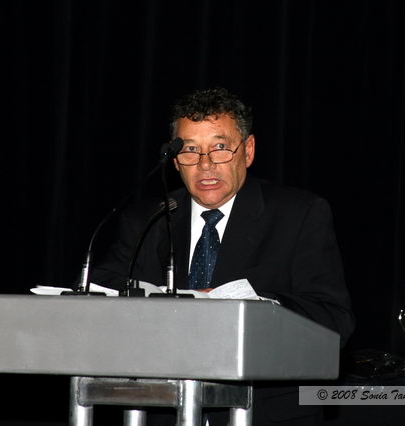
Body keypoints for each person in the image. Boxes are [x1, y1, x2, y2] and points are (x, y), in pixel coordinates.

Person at [91, 87, 354, 425]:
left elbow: (333, 319)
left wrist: (253, 308)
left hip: (263, 413)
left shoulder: (298, 214)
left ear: (248, 151)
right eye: (190, 149)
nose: (205, 164)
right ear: (175, 160)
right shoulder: (147, 219)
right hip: (163, 410)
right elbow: (101, 290)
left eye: (219, 148)